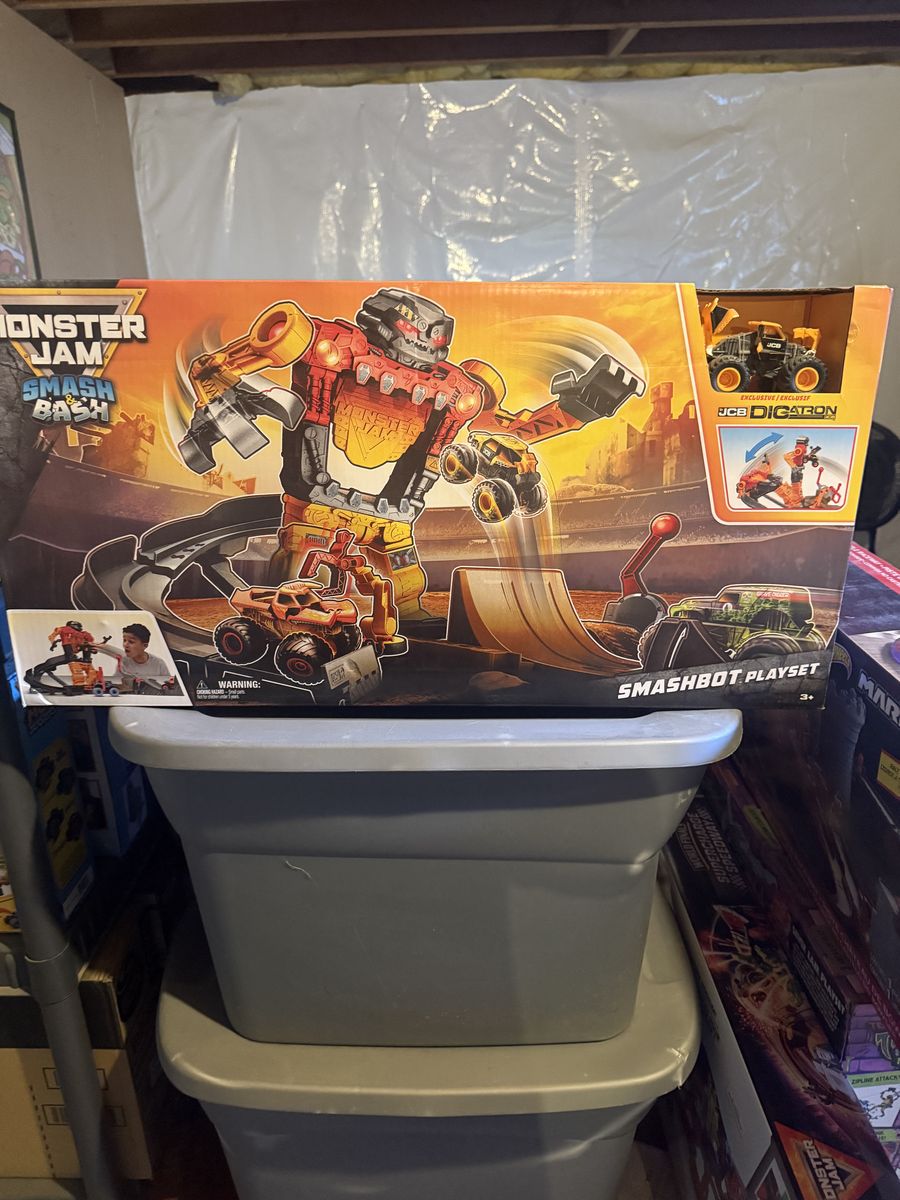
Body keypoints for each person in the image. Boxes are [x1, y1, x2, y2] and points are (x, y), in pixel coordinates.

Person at [98, 623, 170, 682]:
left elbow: (170, 685)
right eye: (124, 640)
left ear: (145, 646)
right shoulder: (124, 661)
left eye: (131, 642)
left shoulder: (159, 664)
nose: (125, 645)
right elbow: (116, 682)